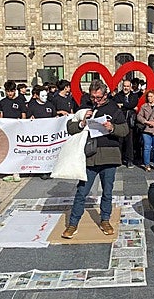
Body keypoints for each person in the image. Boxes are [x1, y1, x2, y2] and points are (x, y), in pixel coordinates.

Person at [62, 79, 129, 239]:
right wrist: (82, 122)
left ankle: (105, 220)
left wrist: (112, 128)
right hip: (90, 155)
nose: (95, 100)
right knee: (81, 191)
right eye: (93, 97)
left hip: (109, 155)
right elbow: (70, 128)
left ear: (105, 95)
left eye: (98, 97)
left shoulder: (113, 108)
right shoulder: (85, 106)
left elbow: (125, 130)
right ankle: (73, 223)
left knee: (107, 191)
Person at [0, 80, 26, 182]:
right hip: (6, 131)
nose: (10, 93)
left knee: (17, 150)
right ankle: (9, 170)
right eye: (8, 91)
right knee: (7, 150)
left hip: (17, 130)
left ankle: (17, 171)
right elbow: (1, 116)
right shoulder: (2, 102)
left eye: (11, 91)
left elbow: (23, 115)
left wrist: (22, 125)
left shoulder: (20, 101)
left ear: (15, 91)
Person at [113, 79, 139, 169]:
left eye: (128, 86)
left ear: (130, 87)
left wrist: (123, 105)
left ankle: (129, 160)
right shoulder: (117, 95)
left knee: (129, 142)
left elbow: (133, 104)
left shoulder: (134, 96)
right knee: (119, 141)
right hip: (120, 121)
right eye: (124, 86)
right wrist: (129, 106)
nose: (126, 88)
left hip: (129, 122)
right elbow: (116, 105)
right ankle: (118, 160)